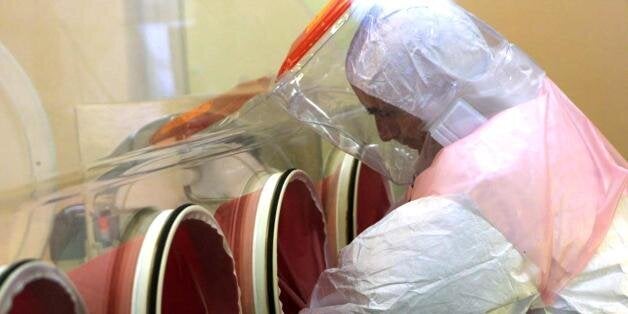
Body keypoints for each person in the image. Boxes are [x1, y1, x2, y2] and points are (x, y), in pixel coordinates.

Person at [275, 0, 627, 312]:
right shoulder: (530, 112)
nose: (385, 134)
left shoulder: (468, 195)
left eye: (383, 112)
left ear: (429, 90)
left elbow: (376, 299)